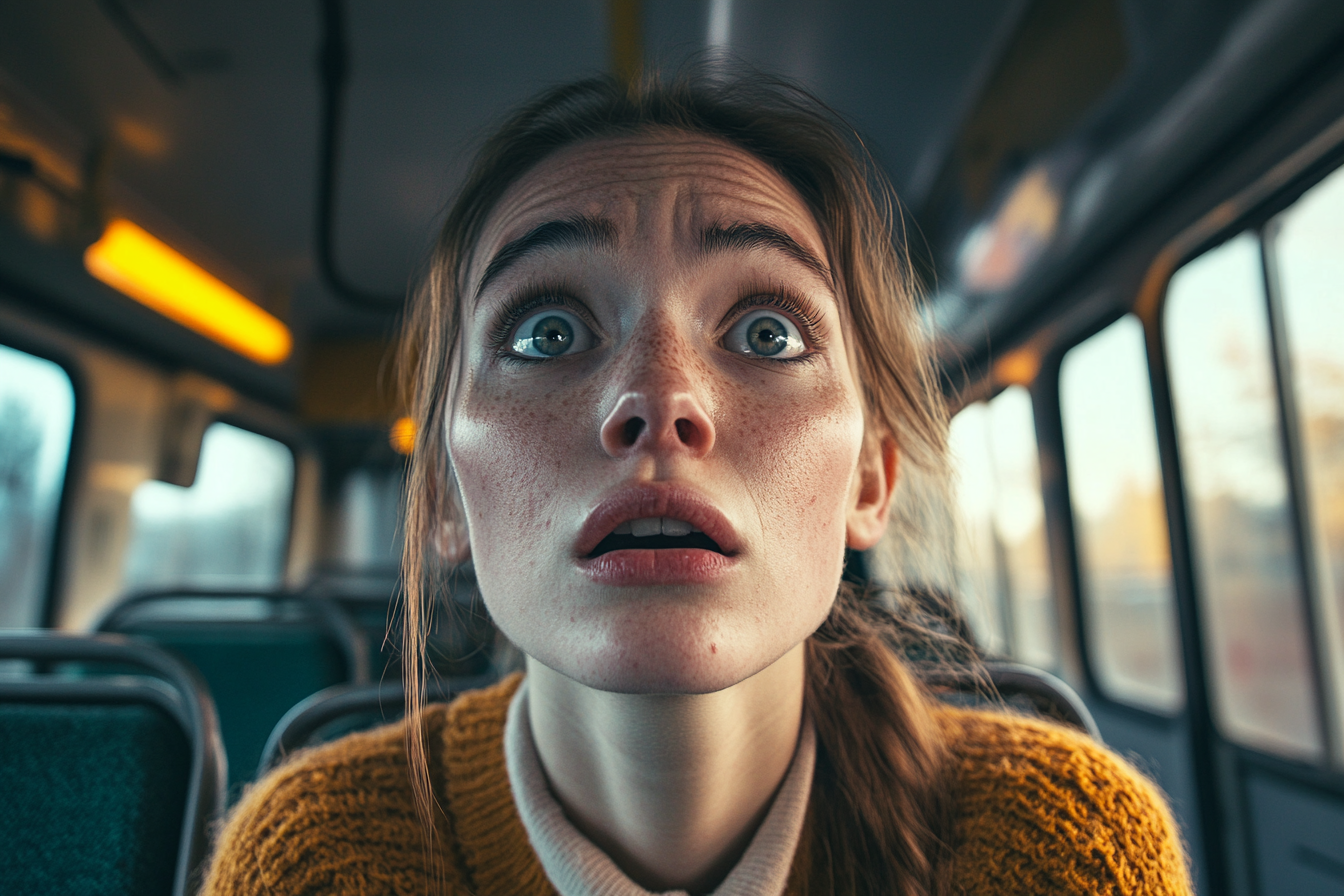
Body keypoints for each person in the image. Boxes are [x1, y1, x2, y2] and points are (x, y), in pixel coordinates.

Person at [203, 70, 1192, 896]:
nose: (658, 398)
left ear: (869, 479)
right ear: (442, 498)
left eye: (770, 333)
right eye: (546, 332)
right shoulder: (315, 861)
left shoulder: (1058, 848)